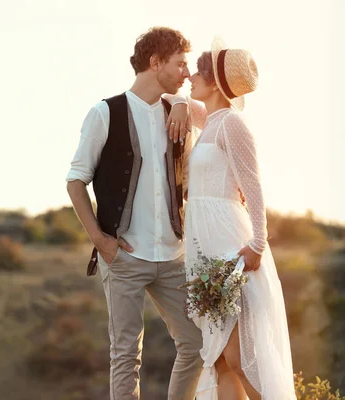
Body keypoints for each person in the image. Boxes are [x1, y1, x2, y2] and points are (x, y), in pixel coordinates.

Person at [66, 26, 203, 400]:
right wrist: (101, 241)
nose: (187, 73)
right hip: (124, 256)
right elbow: (76, 181)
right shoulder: (104, 113)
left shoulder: (178, 114)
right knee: (126, 355)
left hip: (172, 256)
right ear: (155, 62)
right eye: (180, 64)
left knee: (197, 343)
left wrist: (181, 102)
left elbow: (189, 181)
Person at [165, 38, 296, 399]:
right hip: (202, 243)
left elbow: (253, 187)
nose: (190, 76)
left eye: (199, 73)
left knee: (238, 357)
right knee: (222, 360)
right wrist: (178, 101)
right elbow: (168, 98)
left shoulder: (232, 124)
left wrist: (258, 243)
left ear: (215, 82)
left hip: (227, 242)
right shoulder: (210, 120)